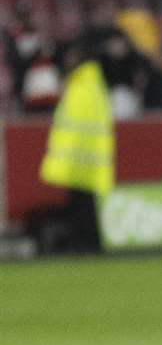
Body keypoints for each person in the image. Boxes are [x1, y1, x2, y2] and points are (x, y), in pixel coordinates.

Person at [38, 39, 114, 253]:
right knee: (86, 206)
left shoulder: (81, 87)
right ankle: (90, 244)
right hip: (88, 159)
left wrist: (65, 158)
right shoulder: (92, 84)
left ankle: (85, 246)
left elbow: (75, 128)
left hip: (79, 159)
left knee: (82, 207)